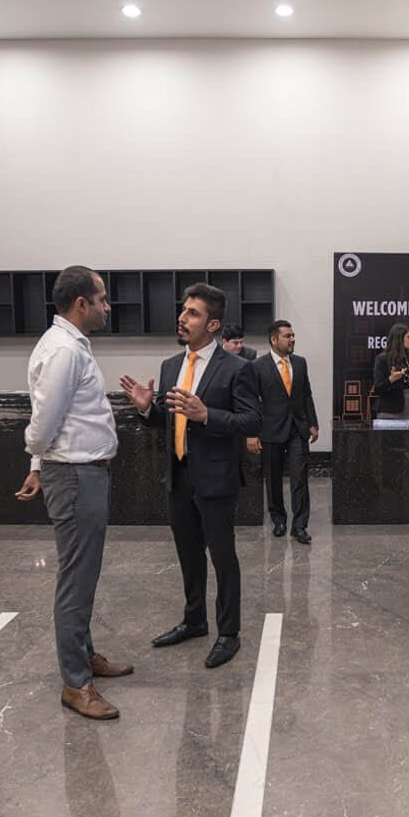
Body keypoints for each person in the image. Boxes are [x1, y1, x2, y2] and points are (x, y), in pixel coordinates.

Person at [119, 283, 262, 669]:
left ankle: (228, 632)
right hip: (178, 476)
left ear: (213, 324)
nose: (182, 318)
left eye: (193, 313)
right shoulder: (170, 367)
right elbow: (169, 421)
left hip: (216, 479)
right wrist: (147, 410)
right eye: (183, 310)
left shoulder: (238, 368)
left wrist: (207, 415)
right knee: (188, 554)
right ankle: (195, 620)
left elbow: (252, 421)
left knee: (222, 557)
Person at [14, 266, 133, 721]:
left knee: (84, 574)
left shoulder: (70, 344)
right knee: (76, 580)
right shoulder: (64, 350)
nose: (107, 307)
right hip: (76, 477)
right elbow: (43, 423)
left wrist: (38, 465)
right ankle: (76, 684)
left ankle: (83, 657)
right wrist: (37, 456)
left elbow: (57, 418)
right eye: (102, 299)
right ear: (81, 304)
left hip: (79, 474)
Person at [247, 320, 318, 543]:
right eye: (287, 336)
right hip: (270, 430)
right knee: (273, 478)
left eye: (293, 335)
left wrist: (313, 423)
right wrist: (252, 433)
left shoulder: (300, 363)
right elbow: (252, 401)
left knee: (299, 477)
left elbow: (306, 394)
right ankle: (278, 519)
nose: (292, 339)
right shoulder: (258, 366)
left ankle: (300, 526)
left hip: (298, 428)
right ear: (274, 339)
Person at [372, 322, 409, 419]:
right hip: (389, 410)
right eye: (408, 337)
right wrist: (391, 379)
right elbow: (378, 388)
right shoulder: (382, 359)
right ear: (399, 339)